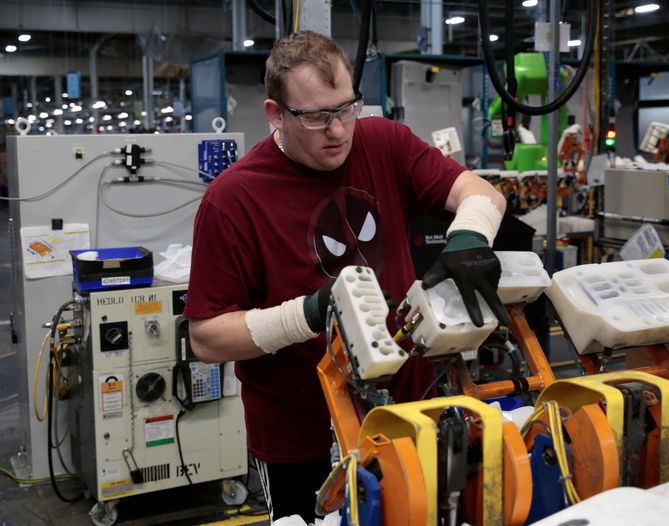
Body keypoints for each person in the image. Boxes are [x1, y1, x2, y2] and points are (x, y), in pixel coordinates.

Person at [184, 30, 510, 523]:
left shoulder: (384, 142)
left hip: (407, 409)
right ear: (276, 114)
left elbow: (480, 192)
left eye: (346, 108)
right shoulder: (233, 200)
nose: (337, 131)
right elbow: (206, 338)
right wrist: (310, 313)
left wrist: (470, 238)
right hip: (302, 434)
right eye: (316, 116)